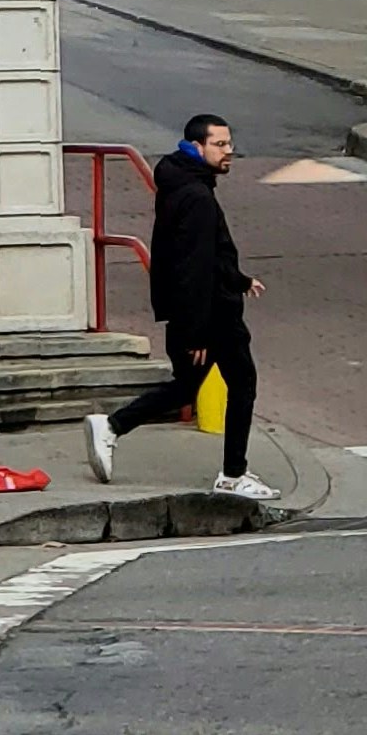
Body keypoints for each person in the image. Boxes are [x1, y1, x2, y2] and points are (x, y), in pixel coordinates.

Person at [86, 113, 275, 504]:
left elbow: (202, 255)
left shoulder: (183, 183)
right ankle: (233, 475)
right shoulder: (197, 197)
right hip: (212, 315)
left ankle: (113, 426)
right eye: (220, 145)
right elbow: (192, 266)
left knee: (187, 386)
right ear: (196, 147)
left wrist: (239, 279)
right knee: (242, 384)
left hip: (208, 308)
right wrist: (196, 331)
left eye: (229, 143)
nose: (229, 152)